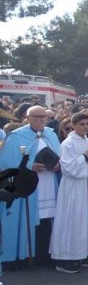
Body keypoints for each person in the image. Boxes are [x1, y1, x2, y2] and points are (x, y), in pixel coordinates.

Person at [0, 106, 61, 267]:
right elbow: (7, 162)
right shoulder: (16, 136)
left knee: (47, 219)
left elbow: (58, 155)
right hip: (27, 185)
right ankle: (24, 256)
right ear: (28, 118)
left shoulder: (51, 134)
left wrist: (57, 165)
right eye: (36, 117)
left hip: (48, 183)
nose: (41, 119)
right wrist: (29, 166)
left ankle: (44, 255)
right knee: (27, 219)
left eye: (44, 117)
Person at [50, 111, 88, 274]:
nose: (85, 127)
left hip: (83, 185)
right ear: (74, 125)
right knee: (69, 219)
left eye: (87, 124)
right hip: (71, 186)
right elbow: (67, 168)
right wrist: (84, 157)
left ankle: (79, 253)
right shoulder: (68, 143)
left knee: (81, 220)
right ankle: (64, 258)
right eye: (81, 124)